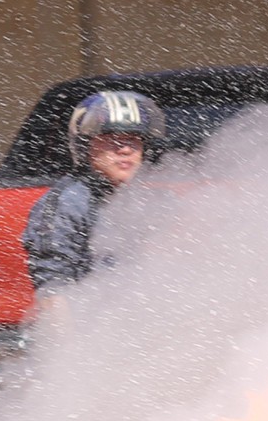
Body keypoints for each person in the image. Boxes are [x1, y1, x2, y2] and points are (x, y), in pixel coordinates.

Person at [23, 90, 163, 292]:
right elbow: (53, 288)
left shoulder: (151, 200)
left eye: (134, 138)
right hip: (95, 319)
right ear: (84, 146)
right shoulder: (67, 205)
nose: (125, 149)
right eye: (112, 138)